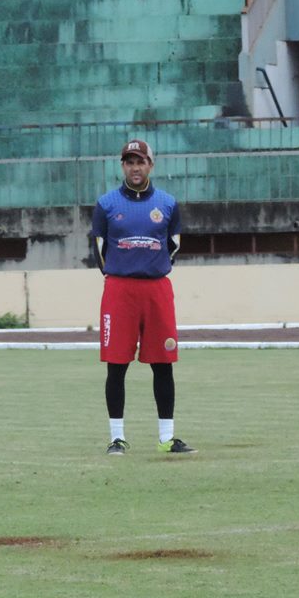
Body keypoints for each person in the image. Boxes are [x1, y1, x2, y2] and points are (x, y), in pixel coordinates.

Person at [90, 139, 197, 456]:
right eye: (129, 162)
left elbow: (173, 246)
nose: (135, 167)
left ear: (151, 164)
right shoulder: (107, 204)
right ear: (122, 166)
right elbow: (99, 249)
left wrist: (153, 268)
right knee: (116, 365)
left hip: (156, 290)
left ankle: (166, 438)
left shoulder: (166, 204)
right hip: (119, 290)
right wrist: (121, 272)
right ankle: (117, 439)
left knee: (163, 364)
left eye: (140, 161)